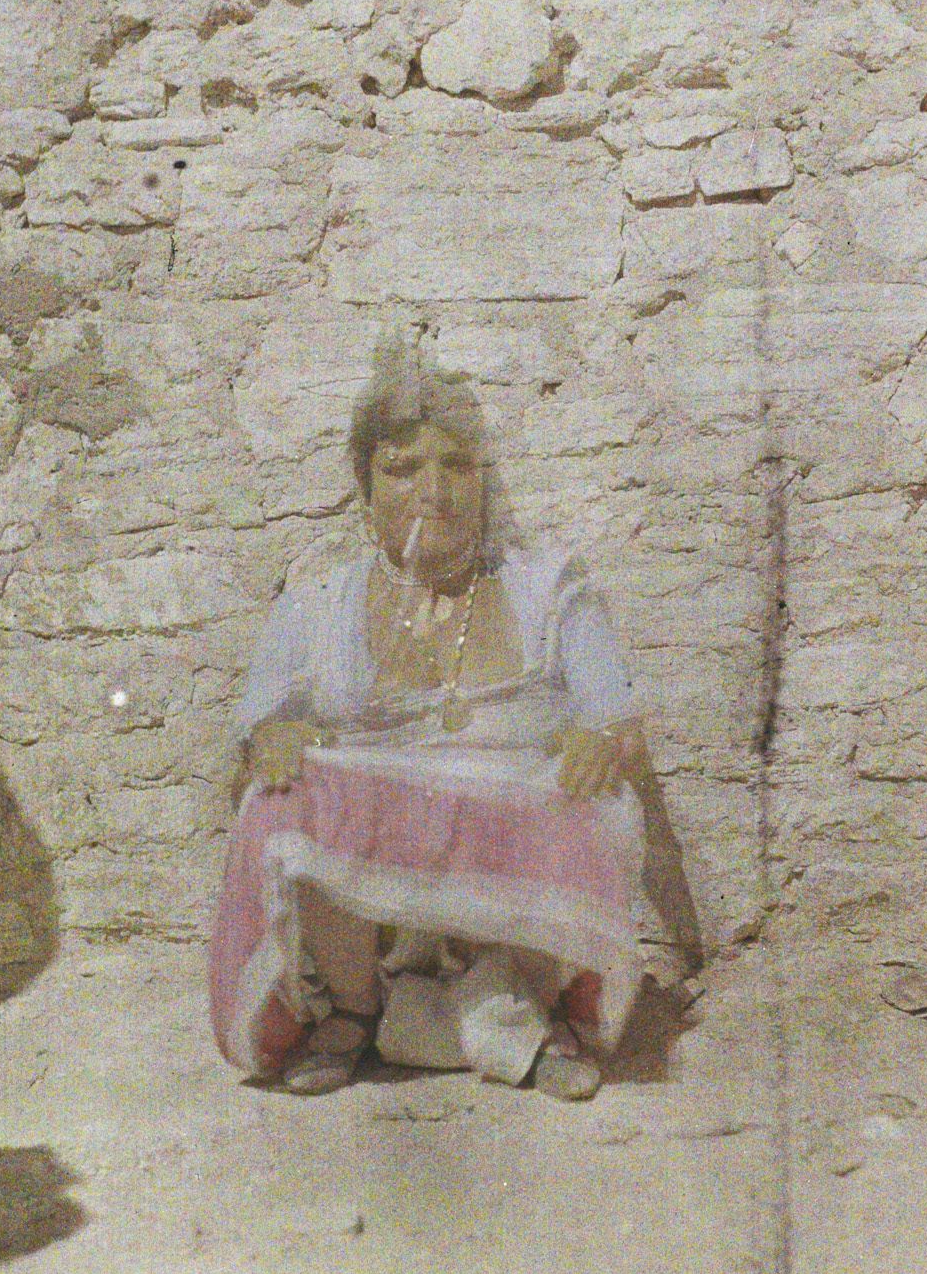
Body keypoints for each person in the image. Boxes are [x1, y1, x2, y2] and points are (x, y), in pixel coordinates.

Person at [208, 343, 657, 1102]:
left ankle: (529, 1012)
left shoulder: (549, 587)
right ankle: (356, 1010)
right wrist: (269, 743)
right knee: (277, 800)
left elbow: (619, 723)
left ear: (482, 480)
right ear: (364, 486)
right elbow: (250, 742)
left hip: (508, 851)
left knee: (597, 801)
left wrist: (598, 744)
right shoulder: (317, 603)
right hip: (374, 889)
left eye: (456, 466)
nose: (434, 492)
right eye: (402, 468)